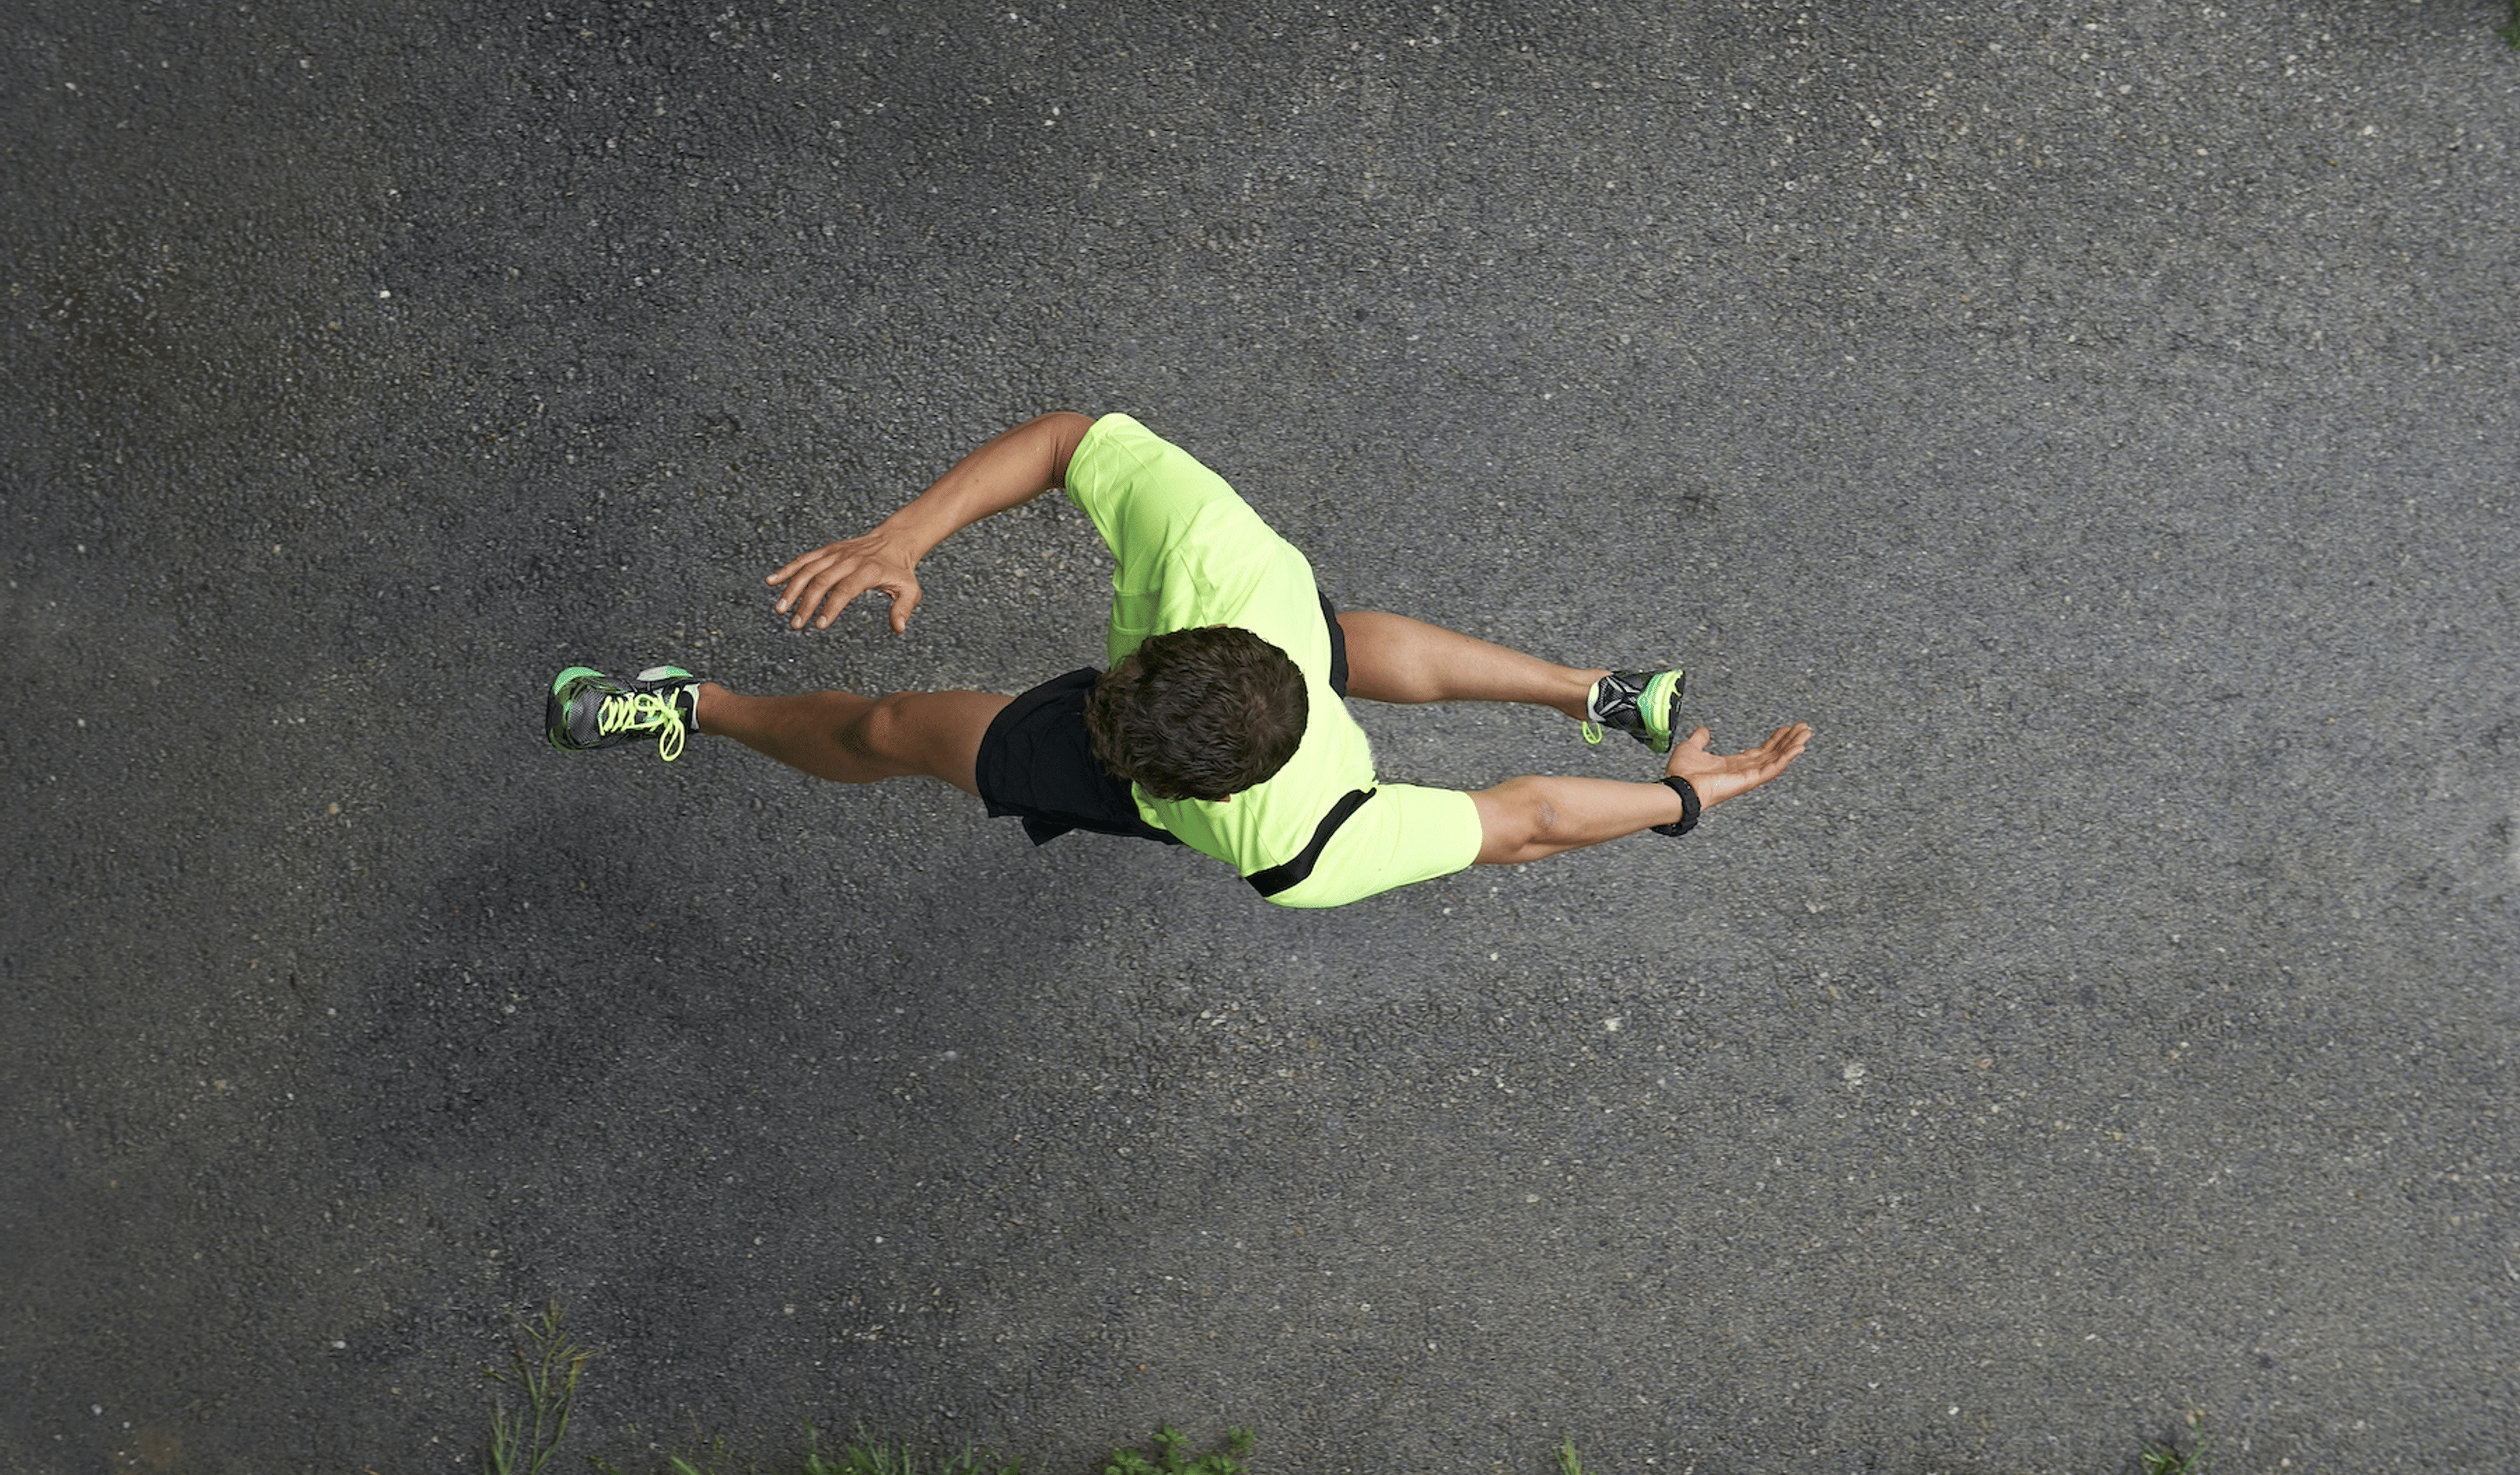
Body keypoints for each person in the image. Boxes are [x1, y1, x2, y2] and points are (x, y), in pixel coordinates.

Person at [545, 411, 1810, 908]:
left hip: (1268, 751)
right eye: (1116, 704)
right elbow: (1067, 440)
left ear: (1187, 793)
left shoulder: (1303, 847)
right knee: (1333, 635)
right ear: (1195, 644)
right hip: (1273, 652)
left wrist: (1691, 799)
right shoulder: (1225, 567)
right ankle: (1596, 690)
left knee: (892, 736)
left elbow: (1525, 821)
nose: (1094, 712)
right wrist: (900, 538)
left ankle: (688, 706)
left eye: (1115, 733)